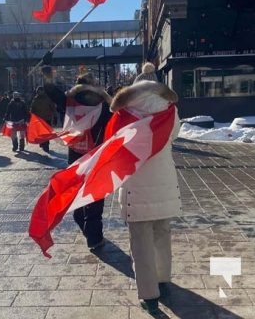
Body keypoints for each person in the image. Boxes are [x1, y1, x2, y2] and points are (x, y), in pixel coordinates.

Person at [109, 79, 181, 314]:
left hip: (136, 186)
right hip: (164, 183)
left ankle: (149, 296)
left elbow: (114, 146)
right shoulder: (170, 110)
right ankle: (163, 280)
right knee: (162, 235)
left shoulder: (123, 115)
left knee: (141, 244)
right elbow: (173, 137)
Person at [43, 67, 112, 250]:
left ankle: (83, 223)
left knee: (77, 193)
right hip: (98, 156)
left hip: (76, 158)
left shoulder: (69, 103)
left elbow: (50, 90)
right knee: (95, 195)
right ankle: (94, 238)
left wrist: (48, 72)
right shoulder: (104, 105)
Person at [29, 86, 56, 153]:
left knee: (46, 133)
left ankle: (46, 144)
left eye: (40, 91)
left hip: (47, 118)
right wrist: (31, 116)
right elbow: (32, 108)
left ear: (43, 91)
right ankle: (42, 143)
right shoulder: (35, 99)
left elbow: (53, 107)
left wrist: (55, 116)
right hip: (39, 119)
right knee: (41, 133)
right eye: (38, 91)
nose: (39, 92)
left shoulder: (48, 99)